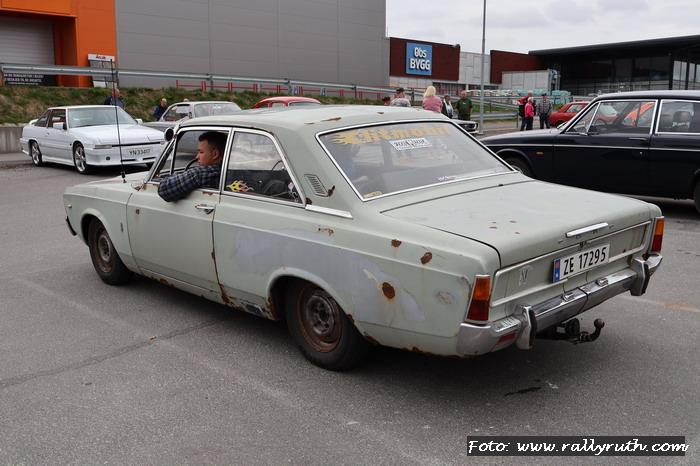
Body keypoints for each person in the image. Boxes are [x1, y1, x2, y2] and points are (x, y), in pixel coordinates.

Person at [158, 131, 227, 202]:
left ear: (215, 154)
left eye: (201, 152)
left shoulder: (199, 174)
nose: (197, 157)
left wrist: (178, 175)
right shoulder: (228, 172)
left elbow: (163, 189)